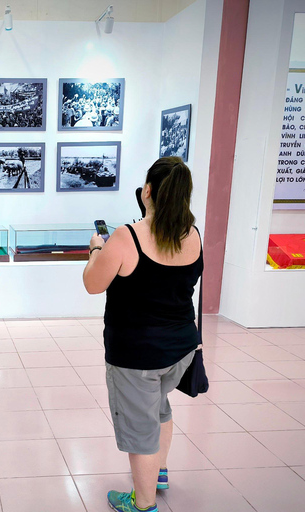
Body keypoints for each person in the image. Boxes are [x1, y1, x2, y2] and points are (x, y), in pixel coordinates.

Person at [82, 156, 202, 512]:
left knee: (139, 430)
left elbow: (93, 283)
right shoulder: (192, 234)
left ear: (147, 191)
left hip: (136, 357)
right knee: (159, 408)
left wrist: (95, 249)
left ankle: (143, 503)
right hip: (181, 349)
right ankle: (159, 472)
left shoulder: (125, 237)